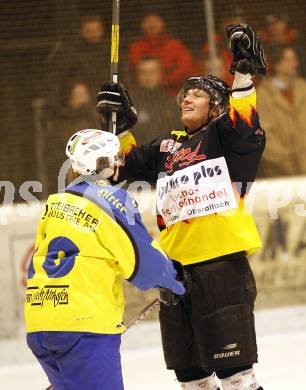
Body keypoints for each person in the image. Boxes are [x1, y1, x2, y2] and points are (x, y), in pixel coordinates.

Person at [97, 24, 266, 390]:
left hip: (220, 266)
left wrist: (242, 72)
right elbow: (119, 170)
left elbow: (244, 120)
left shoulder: (227, 137)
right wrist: (119, 127)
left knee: (235, 377)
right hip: (174, 273)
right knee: (192, 379)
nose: (185, 98)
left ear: (217, 106)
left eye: (197, 94)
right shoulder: (166, 146)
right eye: (184, 94)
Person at [24, 129, 185, 390]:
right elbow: (143, 260)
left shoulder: (55, 202)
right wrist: (174, 281)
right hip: (83, 324)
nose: (120, 163)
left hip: (41, 321)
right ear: (105, 164)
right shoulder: (112, 200)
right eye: (115, 158)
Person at [257, 45, 306, 177]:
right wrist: (286, 159)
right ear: (278, 65)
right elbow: (263, 135)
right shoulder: (262, 96)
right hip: (279, 174)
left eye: (294, 59)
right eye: (289, 60)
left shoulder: (303, 87)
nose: (295, 64)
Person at [127, 12, 196, 96]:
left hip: (172, 94)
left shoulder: (175, 46)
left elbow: (185, 69)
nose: (152, 25)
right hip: (141, 94)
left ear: (163, 23)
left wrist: (162, 82)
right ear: (142, 24)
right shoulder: (135, 47)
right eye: (147, 21)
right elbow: (132, 73)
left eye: (155, 21)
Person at [131, 56, 182, 145]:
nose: (148, 77)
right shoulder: (128, 103)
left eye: (152, 72)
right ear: (137, 75)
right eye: (143, 72)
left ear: (160, 74)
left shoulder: (170, 103)